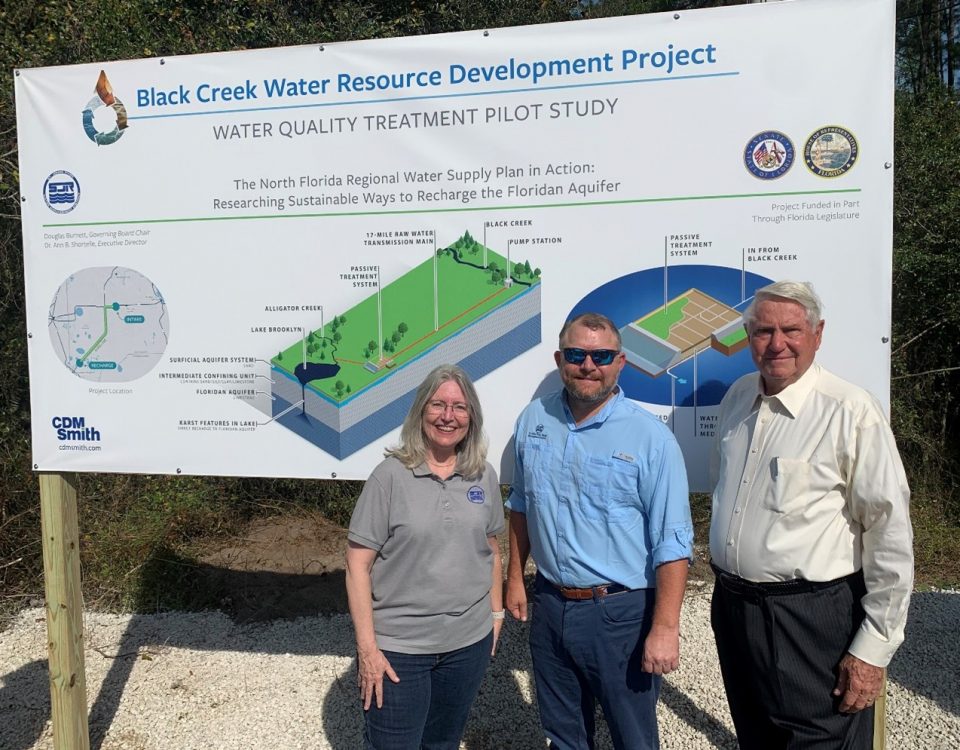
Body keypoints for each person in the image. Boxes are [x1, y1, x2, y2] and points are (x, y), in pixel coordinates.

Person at [710, 280, 914, 750]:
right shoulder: (739, 399)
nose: (776, 343)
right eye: (762, 331)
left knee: (819, 740)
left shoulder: (849, 410)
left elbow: (889, 531)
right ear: (748, 337)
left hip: (810, 616)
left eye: (790, 330)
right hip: (735, 608)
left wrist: (873, 649)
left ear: (817, 335)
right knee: (757, 735)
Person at [504, 312, 693, 750]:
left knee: (633, 737)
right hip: (550, 605)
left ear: (620, 362)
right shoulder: (533, 419)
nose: (588, 365)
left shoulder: (652, 439)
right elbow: (521, 505)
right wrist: (516, 577)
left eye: (601, 355)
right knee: (563, 734)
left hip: (620, 614)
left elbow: (673, 541)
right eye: (576, 354)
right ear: (560, 359)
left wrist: (664, 627)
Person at [345, 364, 505, 750]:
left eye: (459, 407)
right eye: (438, 405)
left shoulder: (482, 475)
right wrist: (368, 649)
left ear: (472, 418)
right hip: (400, 650)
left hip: (468, 645)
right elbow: (357, 565)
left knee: (443, 743)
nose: (448, 416)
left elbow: (492, 549)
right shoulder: (389, 477)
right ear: (421, 412)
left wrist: (495, 616)